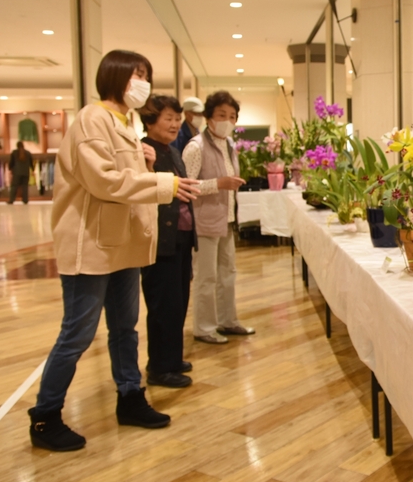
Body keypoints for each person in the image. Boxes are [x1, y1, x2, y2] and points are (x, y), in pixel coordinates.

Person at [28, 50, 199, 452]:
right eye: (136, 75)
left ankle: (130, 397)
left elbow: (126, 180)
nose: (142, 83)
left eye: (146, 76)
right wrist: (164, 183)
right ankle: (45, 416)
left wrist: (148, 166)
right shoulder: (92, 119)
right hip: (91, 245)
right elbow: (105, 181)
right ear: (115, 76)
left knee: (126, 328)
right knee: (78, 334)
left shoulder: (126, 123)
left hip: (122, 244)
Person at [182, 90, 254, 344]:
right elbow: (186, 186)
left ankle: (228, 320)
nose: (227, 119)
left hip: (226, 219)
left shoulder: (229, 145)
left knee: (228, 273)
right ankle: (204, 327)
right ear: (209, 117)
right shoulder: (196, 146)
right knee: (206, 277)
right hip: (204, 220)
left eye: (232, 116)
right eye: (222, 114)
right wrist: (219, 183)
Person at [139, 95, 196, 388]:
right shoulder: (143, 152)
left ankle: (172, 359)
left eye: (177, 119)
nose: (175, 124)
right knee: (163, 304)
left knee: (179, 301)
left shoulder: (173, 152)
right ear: (150, 121)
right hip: (160, 240)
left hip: (181, 238)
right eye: (168, 119)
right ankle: (159, 367)